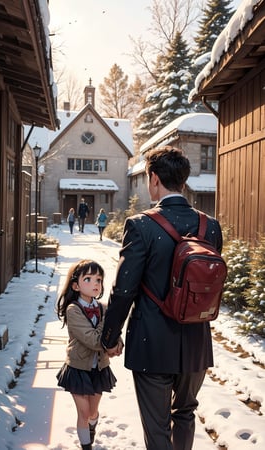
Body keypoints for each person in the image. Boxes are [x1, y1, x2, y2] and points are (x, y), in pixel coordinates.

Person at [101, 146, 223, 450]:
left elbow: (124, 289)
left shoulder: (141, 225)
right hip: (196, 340)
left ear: (153, 178)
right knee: (185, 414)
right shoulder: (211, 226)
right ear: (183, 180)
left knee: (156, 427)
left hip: (151, 342)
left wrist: (110, 335)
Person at [56, 259, 122, 450]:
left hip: (99, 368)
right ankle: (86, 446)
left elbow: (114, 333)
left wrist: (117, 345)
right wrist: (107, 321)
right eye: (88, 279)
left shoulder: (102, 308)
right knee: (83, 413)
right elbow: (94, 339)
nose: (95, 283)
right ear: (76, 285)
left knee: (93, 412)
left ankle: (92, 428)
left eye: (99, 279)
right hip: (78, 368)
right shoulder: (73, 310)